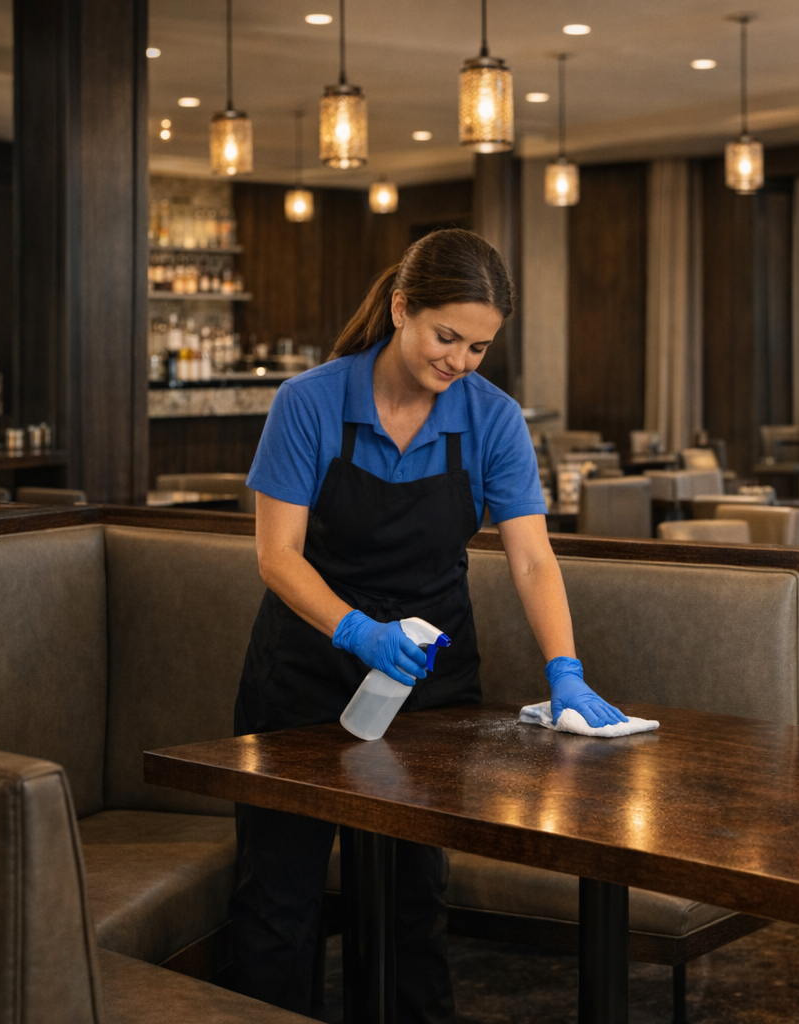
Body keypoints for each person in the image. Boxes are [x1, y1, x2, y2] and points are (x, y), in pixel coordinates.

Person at [230, 228, 626, 1018]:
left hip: (428, 685)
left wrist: (566, 668)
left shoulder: (494, 419)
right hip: (303, 674)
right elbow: (278, 557)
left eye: (479, 348)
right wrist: (355, 631)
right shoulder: (309, 401)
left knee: (412, 901)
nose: (460, 362)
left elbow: (531, 560)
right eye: (448, 337)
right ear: (402, 307)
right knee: (279, 900)